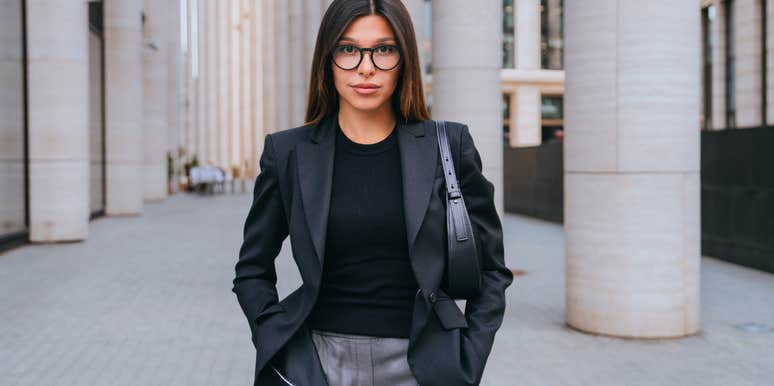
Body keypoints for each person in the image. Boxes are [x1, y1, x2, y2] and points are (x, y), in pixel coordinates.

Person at [231, 1, 513, 385]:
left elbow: (492, 269)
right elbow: (252, 268)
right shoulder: (288, 153)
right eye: (348, 49)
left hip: (423, 365)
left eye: (384, 49)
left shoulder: (448, 144)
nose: (366, 67)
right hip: (318, 363)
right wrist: (272, 334)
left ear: (405, 59)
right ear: (327, 60)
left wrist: (470, 353)